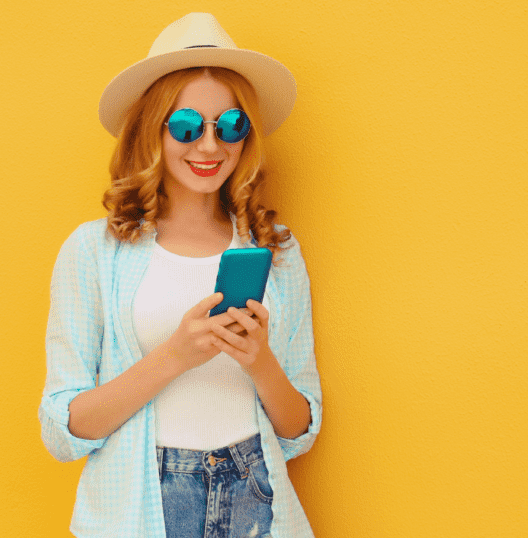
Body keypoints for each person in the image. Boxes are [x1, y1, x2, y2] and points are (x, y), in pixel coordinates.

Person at [40, 12, 322, 538]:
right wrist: (174, 356)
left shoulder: (274, 249)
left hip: (254, 494)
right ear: (153, 130)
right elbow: (64, 431)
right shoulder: (92, 251)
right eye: (188, 126)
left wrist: (259, 361)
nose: (211, 147)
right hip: (140, 504)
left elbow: (300, 429)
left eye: (231, 125)